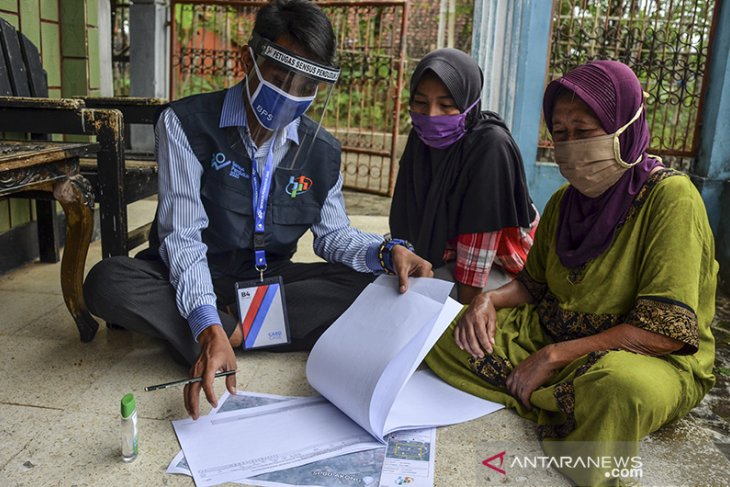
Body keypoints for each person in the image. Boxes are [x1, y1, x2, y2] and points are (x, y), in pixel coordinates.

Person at [83, 0, 432, 419]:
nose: (292, 95)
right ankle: (220, 330)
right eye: (281, 77)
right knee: (107, 281)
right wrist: (207, 319)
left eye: (308, 86)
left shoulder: (321, 151)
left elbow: (334, 237)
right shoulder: (185, 124)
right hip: (189, 274)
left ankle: (231, 333)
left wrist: (384, 252)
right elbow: (183, 237)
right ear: (248, 59)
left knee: (370, 285)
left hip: (265, 282)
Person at [424, 60, 717, 485]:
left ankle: (544, 387)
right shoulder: (565, 200)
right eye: (560, 135)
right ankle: (550, 395)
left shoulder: (671, 199)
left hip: (644, 357)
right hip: (553, 331)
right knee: (444, 327)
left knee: (619, 391)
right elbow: (532, 284)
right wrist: (487, 300)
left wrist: (553, 356)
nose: (571, 148)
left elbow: (664, 333)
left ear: (626, 126)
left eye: (584, 132)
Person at [389, 48, 539, 306]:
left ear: (469, 105)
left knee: (416, 304)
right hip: (446, 260)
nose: (431, 115)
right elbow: (404, 220)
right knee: (388, 288)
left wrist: (467, 314)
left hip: (503, 270)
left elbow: (478, 252)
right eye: (421, 103)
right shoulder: (421, 138)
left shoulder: (490, 146)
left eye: (446, 105)